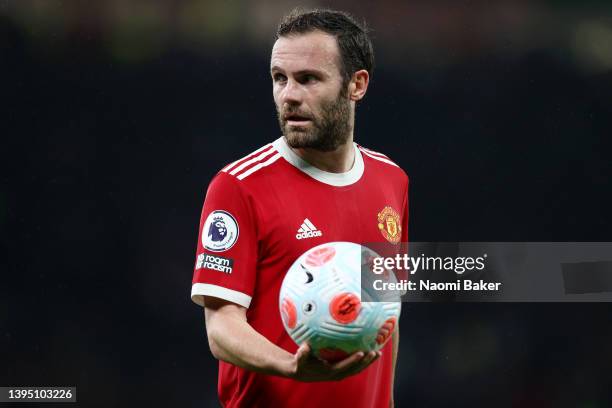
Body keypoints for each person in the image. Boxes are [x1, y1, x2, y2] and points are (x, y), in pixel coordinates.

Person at [191, 8, 409, 408]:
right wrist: (292, 366)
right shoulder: (239, 186)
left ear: (356, 84)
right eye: (280, 78)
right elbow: (221, 327)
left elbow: (385, 314)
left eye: (308, 79)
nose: (289, 95)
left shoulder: (391, 180)